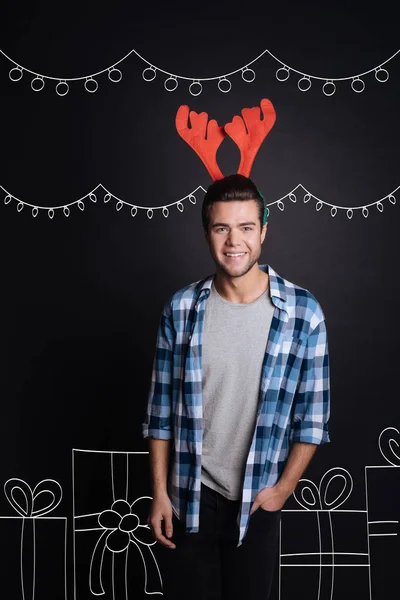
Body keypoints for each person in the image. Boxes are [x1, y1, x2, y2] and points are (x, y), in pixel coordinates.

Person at [142, 173, 330, 600]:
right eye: (221, 228)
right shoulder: (181, 308)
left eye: (246, 227)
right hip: (188, 497)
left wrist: (282, 490)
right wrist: (158, 494)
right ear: (207, 233)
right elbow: (159, 412)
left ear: (263, 231)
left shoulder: (304, 313)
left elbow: (312, 419)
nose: (234, 241)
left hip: (257, 498)